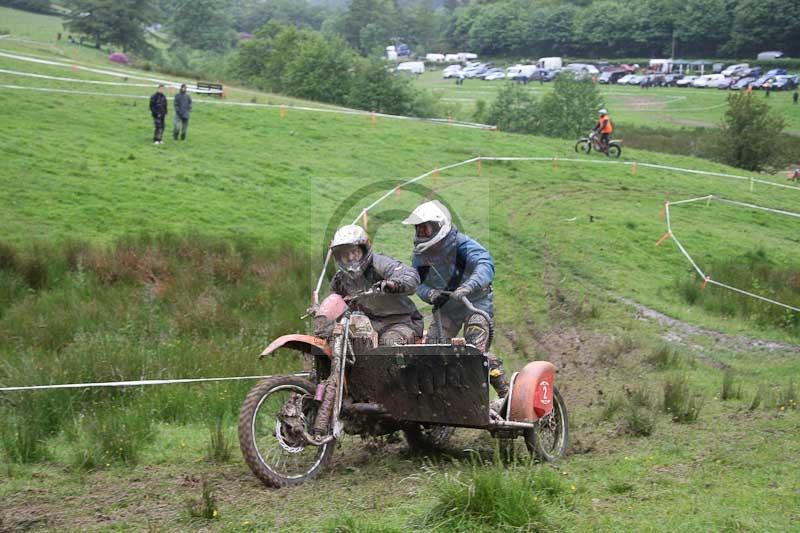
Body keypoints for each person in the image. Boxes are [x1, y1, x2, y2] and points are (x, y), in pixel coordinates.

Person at [403, 201, 509, 404]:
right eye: (418, 229)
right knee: (431, 351)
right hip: (447, 308)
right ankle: (439, 399)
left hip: (475, 303)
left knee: (474, 349)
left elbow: (485, 263)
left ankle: (505, 393)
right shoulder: (421, 255)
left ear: (438, 226)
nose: (421, 233)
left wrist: (468, 286)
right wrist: (431, 294)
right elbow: (417, 282)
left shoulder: (461, 245)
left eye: (424, 228)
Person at [321, 224, 424, 346]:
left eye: (355, 252)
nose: (350, 258)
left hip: (401, 322)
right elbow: (333, 299)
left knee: (388, 344)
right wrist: (321, 310)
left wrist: (394, 284)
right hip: (364, 325)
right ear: (338, 257)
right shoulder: (341, 279)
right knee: (339, 342)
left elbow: (410, 275)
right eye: (345, 255)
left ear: (364, 249)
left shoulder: (380, 264)